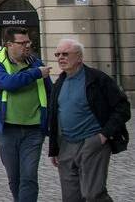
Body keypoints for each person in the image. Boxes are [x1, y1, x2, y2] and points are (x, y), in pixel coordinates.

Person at [47, 38, 130, 202]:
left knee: (93, 195)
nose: (60, 58)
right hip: (66, 145)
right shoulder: (59, 83)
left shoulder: (97, 79)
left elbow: (123, 108)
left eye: (65, 54)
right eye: (58, 54)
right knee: (71, 197)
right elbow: (54, 117)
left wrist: (104, 135)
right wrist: (54, 149)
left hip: (92, 141)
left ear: (79, 57)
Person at [0, 27, 52, 202]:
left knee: (29, 176)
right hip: (7, 129)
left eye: (28, 42)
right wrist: (36, 73)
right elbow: (7, 83)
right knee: (14, 177)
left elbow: (50, 92)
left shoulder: (35, 62)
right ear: (9, 44)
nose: (27, 46)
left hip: (34, 130)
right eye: (22, 43)